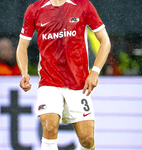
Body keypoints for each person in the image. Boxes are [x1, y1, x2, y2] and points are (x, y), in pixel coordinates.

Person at [16, 0, 111, 149]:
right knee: (49, 128)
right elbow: (22, 46)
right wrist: (24, 72)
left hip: (79, 83)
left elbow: (105, 41)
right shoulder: (34, 9)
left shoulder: (83, 5)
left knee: (88, 140)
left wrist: (95, 71)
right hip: (49, 82)